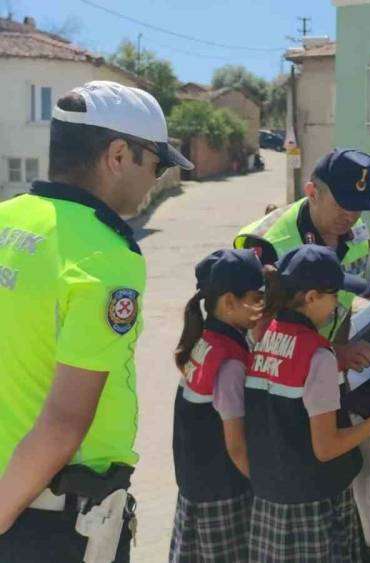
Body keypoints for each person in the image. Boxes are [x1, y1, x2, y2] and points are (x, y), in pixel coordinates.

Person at [0, 81, 193, 561]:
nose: (159, 178)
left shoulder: (8, 220)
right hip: (50, 525)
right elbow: (63, 423)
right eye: (158, 162)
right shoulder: (106, 256)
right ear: (119, 154)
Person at [245, 245, 370, 562]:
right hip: (314, 505)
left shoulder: (264, 336)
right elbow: (326, 447)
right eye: (333, 295)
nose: (337, 303)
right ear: (310, 298)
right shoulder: (318, 356)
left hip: (270, 497)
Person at [234, 149, 370, 372]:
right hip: (269, 380)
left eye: (359, 206)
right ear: (312, 192)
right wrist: (335, 354)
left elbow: (343, 306)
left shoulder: (359, 236)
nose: (351, 216)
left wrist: (337, 361)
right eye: (342, 205)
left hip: (320, 371)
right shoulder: (266, 243)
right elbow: (258, 333)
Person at [170, 249, 264, 562]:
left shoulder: (206, 340)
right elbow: (236, 446)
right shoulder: (230, 363)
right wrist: (267, 490)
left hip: (197, 489)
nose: (262, 305)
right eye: (255, 297)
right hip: (223, 496)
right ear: (228, 302)